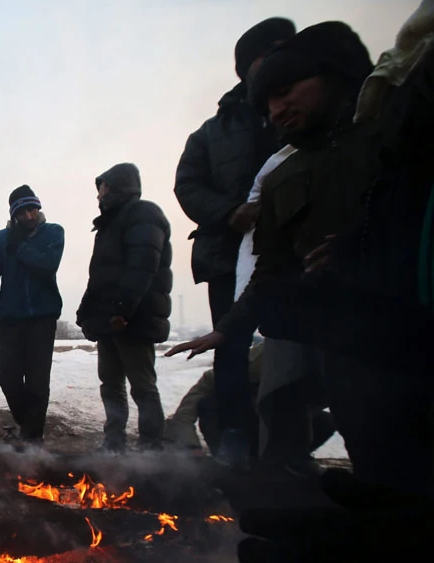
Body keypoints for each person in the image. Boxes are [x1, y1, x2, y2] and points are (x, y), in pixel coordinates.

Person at [170, 21, 434, 496]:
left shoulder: (395, 131)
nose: (277, 109)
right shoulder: (280, 172)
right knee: (361, 430)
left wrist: (361, 245)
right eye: (268, 99)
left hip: (403, 321)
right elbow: (268, 269)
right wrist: (229, 327)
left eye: (287, 89)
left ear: (332, 73)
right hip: (334, 330)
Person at [173, 17, 296, 468]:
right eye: (272, 52)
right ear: (248, 67)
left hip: (299, 253)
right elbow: (188, 187)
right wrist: (230, 212)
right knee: (230, 346)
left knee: (295, 345)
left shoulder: (301, 113)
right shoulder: (211, 132)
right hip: (228, 255)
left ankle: (286, 446)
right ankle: (234, 438)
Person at [75, 163, 173, 452]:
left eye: (102, 188)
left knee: (142, 387)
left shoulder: (144, 214)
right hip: (110, 320)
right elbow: (100, 276)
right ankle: (114, 441)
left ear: (117, 186)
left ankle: (151, 448)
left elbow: (143, 266)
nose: (98, 195)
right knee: (111, 384)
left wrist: (123, 310)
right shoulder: (108, 225)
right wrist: (86, 311)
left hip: (132, 319)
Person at [164, 341, 336, 468]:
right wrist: (190, 445)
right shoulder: (247, 367)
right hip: (239, 427)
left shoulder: (324, 375)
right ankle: (230, 461)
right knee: (209, 404)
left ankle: (287, 460)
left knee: (327, 421)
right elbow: (190, 407)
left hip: (280, 428)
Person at [0, 185, 64, 443]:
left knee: (38, 384)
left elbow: (47, 265)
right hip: (11, 320)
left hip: (42, 318)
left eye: (33, 209)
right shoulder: (0, 239)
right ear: (14, 214)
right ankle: (27, 428)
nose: (29, 216)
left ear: (38, 208)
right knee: (8, 379)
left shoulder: (53, 232)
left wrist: (20, 247)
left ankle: (32, 440)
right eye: (23, 211)